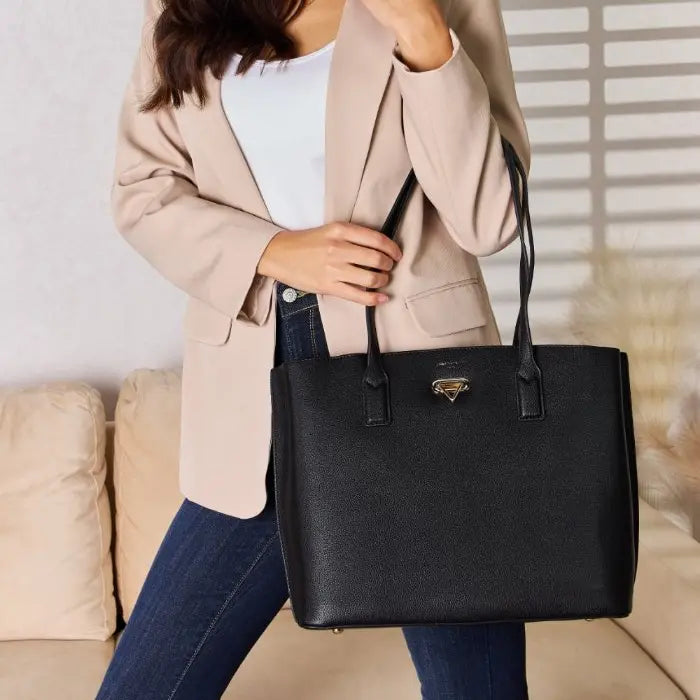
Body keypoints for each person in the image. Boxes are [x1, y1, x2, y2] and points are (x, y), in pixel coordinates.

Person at [97, 0, 531, 697]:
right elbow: (143, 192)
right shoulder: (179, 7)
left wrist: (423, 34)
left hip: (424, 375)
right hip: (256, 383)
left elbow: (489, 218)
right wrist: (275, 250)